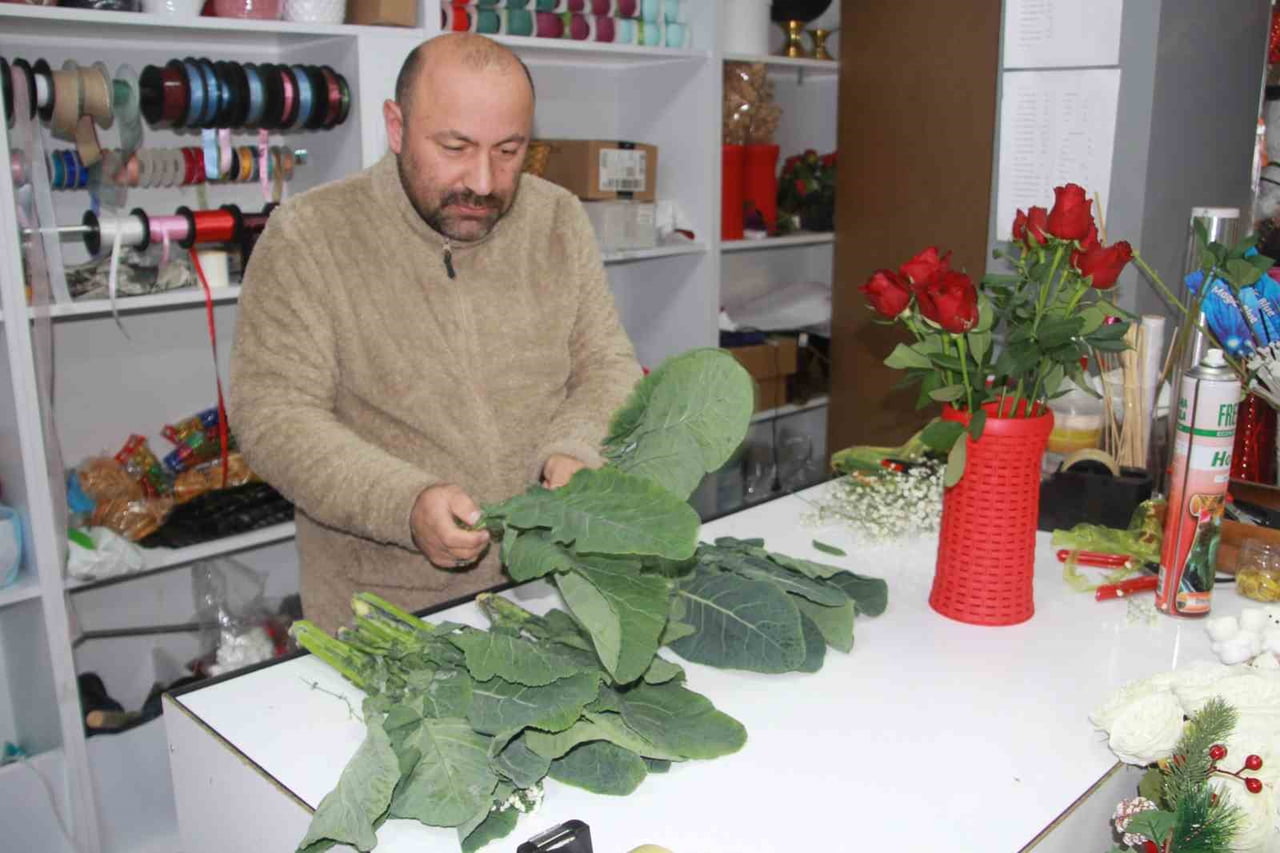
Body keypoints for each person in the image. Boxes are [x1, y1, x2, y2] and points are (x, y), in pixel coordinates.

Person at [228, 33, 642, 632]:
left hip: (555, 585)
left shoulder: (555, 217)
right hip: (388, 611)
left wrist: (577, 450)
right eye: (455, 146)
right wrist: (406, 504)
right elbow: (273, 416)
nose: (482, 180)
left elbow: (607, 364)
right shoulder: (309, 236)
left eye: (509, 150)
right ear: (396, 127)